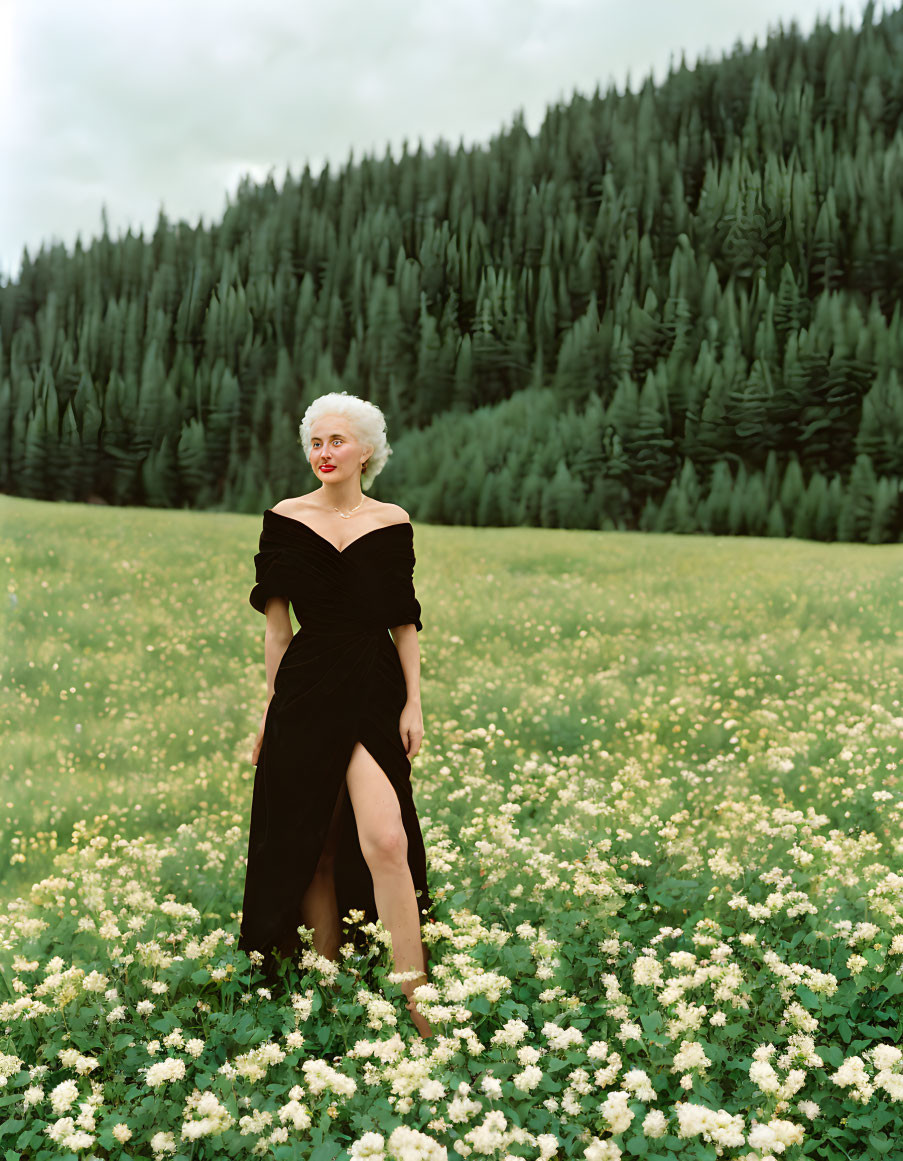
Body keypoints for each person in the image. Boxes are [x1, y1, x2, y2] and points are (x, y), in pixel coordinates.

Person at [237, 392, 434, 1038]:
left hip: (374, 685)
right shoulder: (284, 519)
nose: (323, 452)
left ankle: (418, 999)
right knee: (311, 843)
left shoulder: (392, 520)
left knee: (386, 839)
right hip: (306, 689)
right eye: (315, 442)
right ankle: (324, 981)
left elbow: (404, 621)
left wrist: (413, 700)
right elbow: (276, 632)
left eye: (336, 441)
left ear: (366, 450)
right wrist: (270, 709)